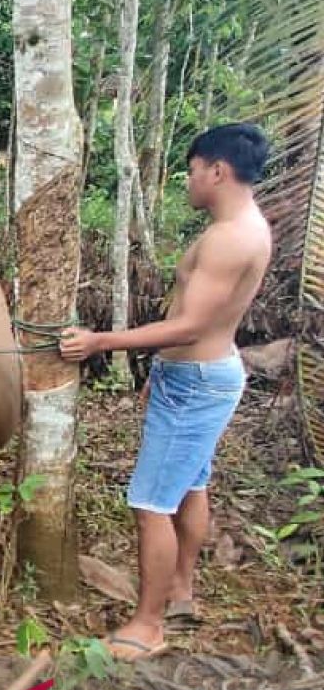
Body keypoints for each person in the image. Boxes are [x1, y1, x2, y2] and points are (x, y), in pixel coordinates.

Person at [60, 123, 272, 661]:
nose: (189, 181)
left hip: (197, 382)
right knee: (190, 487)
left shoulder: (230, 239)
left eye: (194, 171)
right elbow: (194, 322)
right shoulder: (239, 227)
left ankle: (148, 626)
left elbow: (189, 326)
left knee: (150, 503)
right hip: (197, 376)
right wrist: (162, 367)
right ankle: (181, 588)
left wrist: (100, 341)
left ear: (218, 171)